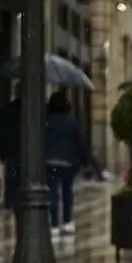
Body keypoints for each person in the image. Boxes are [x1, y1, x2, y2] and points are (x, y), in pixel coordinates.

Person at [44, 89, 88, 235]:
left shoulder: (47, 121)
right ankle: (68, 221)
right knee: (67, 191)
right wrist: (84, 160)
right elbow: (80, 142)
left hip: (50, 162)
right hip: (68, 162)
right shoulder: (72, 121)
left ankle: (54, 224)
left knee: (52, 192)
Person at [0, 94, 21, 215]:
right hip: (22, 150)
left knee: (11, 178)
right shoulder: (33, 110)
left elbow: (0, 132)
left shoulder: (7, 110)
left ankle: (10, 203)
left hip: (11, 150)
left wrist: (1, 151)